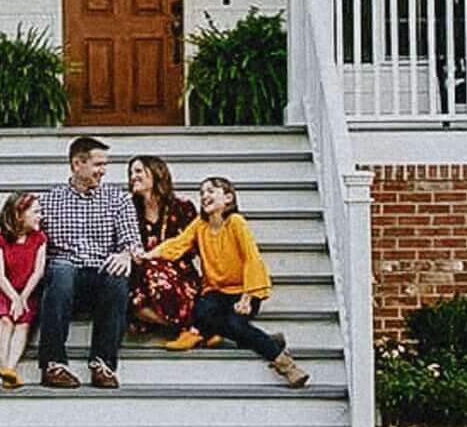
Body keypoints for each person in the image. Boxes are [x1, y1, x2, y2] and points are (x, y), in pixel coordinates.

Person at [155, 175, 310, 388]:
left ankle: (285, 364)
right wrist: (148, 255)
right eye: (201, 193)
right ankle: (264, 339)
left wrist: (248, 297)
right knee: (200, 313)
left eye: (211, 191)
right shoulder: (200, 225)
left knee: (234, 323)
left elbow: (251, 258)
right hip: (216, 291)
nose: (204, 196)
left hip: (243, 290)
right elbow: (177, 245)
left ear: (228, 198)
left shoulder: (236, 222)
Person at [32, 135, 141, 389]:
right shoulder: (48, 201)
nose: (103, 171)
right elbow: (22, 235)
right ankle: (53, 365)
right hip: (62, 280)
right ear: (77, 164)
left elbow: (133, 242)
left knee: (118, 274)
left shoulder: (118, 200)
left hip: (100, 277)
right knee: (61, 268)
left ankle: (102, 364)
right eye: (98, 165)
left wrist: (125, 254)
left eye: (105, 165)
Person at [0, 191, 48, 389]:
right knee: (5, 321)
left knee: (22, 324)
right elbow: (0, 275)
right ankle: (4, 366)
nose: (41, 216)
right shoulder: (0, 240)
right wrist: (14, 298)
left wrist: (23, 298)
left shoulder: (39, 238)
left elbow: (38, 272)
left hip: (28, 291)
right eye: (36, 212)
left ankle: (10, 368)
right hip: (5, 291)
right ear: (19, 215)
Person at [125, 155, 201, 334]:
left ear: (156, 173)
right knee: (128, 294)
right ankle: (188, 327)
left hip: (177, 272)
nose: (132, 177)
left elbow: (192, 247)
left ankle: (184, 324)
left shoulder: (183, 207)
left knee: (151, 268)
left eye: (138, 171)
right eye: (130, 173)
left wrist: (160, 255)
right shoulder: (128, 208)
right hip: (140, 273)